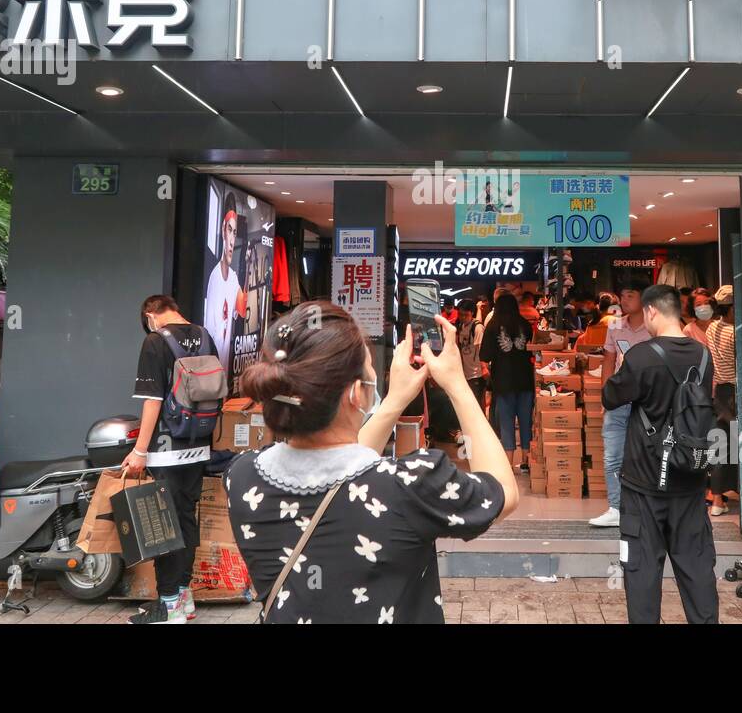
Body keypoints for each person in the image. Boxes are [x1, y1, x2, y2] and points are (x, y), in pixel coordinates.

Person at [227, 303, 518, 623]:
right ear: (356, 395)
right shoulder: (411, 485)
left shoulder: (243, 477)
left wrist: (394, 401)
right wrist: (457, 385)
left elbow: (342, 475)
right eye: (370, 373)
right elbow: (502, 491)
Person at [602, 283, 718, 624]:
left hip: (643, 482)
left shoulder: (641, 356)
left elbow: (611, 396)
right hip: (690, 480)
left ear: (651, 311)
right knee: (697, 567)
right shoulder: (702, 354)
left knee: (641, 573)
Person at [123, 295, 218, 625]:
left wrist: (140, 450)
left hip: (168, 446)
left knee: (163, 526)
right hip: (200, 444)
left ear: (151, 315)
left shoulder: (155, 342)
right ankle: (183, 597)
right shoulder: (206, 336)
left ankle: (167, 605)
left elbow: (152, 401)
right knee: (185, 518)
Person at [589, 279, 652, 528]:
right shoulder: (614, 325)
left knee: (646, 454)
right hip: (619, 399)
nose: (624, 300)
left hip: (649, 401)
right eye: (622, 296)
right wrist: (606, 394)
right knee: (613, 455)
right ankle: (616, 507)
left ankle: (645, 506)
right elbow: (608, 360)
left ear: (644, 298)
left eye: (630, 295)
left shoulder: (654, 327)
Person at [479, 293, 535, 472]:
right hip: (525, 380)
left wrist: (487, 371)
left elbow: (484, 357)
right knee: (526, 421)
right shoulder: (525, 325)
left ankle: (509, 463)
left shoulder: (493, 326)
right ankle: (526, 462)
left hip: (503, 382)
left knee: (506, 421)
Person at [706, 285, 739, 516]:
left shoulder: (711, 328)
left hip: (720, 393)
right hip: (736, 393)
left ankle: (717, 500)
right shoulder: (735, 332)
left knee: (721, 447)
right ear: (730, 308)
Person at [203, 192, 242, 373]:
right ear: (222, 230)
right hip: (212, 370)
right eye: (229, 229)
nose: (232, 240)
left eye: (235, 232)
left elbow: (242, 310)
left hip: (223, 372)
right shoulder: (214, 278)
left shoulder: (233, 278)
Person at [456, 298, 487, 411]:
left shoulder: (477, 327)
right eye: (460, 314)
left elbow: (481, 350)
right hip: (466, 373)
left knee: (477, 406)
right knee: (469, 405)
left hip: (477, 374)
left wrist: (484, 368)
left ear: (472, 313)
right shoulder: (461, 326)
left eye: (465, 315)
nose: (463, 317)